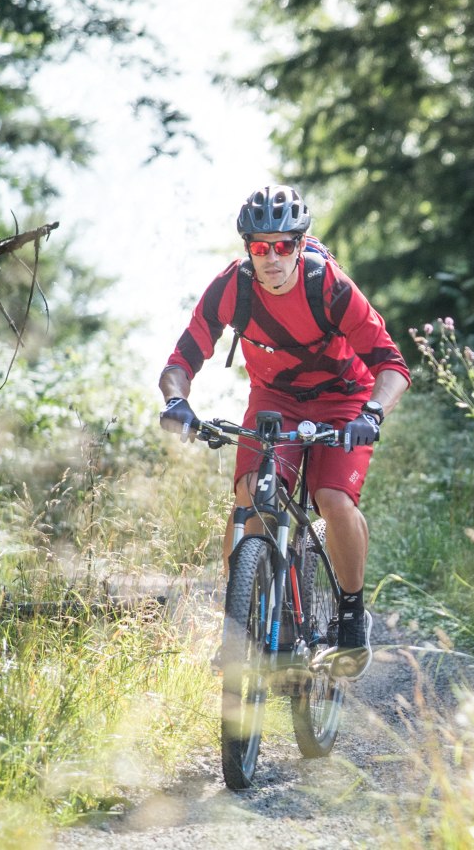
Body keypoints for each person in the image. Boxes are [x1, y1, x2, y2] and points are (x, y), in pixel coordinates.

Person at [157, 184, 409, 674]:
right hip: (274, 399)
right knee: (252, 496)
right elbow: (181, 359)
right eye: (260, 247)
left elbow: (392, 365)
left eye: (283, 245)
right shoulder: (232, 288)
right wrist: (176, 400)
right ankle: (241, 624)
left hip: (344, 398)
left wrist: (372, 414)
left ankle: (352, 619)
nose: (272, 257)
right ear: (247, 249)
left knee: (332, 499)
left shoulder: (328, 285)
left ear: (300, 244)